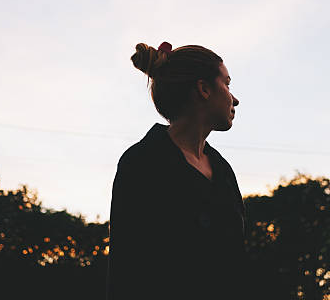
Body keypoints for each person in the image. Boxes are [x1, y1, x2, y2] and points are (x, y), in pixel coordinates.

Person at [105, 42, 247, 300]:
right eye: (226, 84)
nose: (234, 98)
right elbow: (125, 270)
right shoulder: (142, 163)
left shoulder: (224, 171)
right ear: (203, 89)